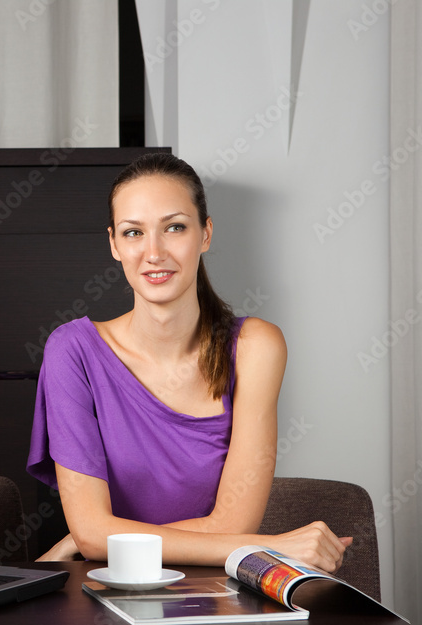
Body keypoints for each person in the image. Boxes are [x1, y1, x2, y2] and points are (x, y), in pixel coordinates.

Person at [27, 153, 350, 572]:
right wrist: (268, 547)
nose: (154, 252)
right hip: (110, 592)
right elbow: (93, 534)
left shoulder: (256, 346)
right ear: (114, 244)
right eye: (133, 232)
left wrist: (104, 539)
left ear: (206, 233)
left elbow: (234, 524)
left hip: (214, 591)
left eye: (174, 227)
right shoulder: (71, 350)